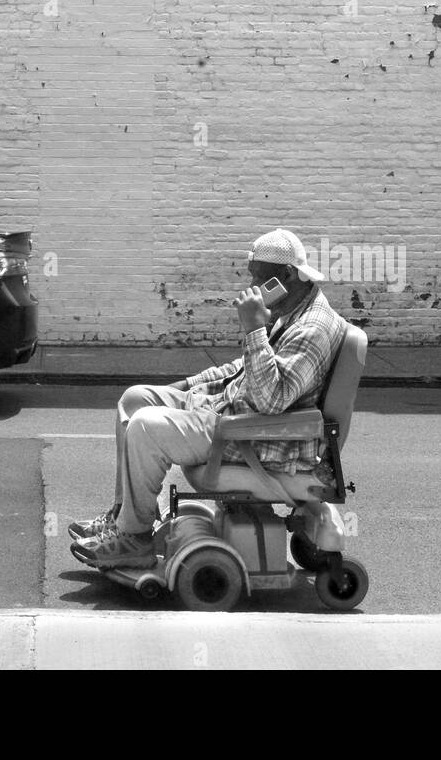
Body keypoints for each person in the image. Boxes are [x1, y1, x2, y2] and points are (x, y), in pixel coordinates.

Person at [70, 229, 348, 570]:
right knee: (136, 399)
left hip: (249, 434)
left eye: (261, 278)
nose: (254, 286)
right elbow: (242, 369)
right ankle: (123, 516)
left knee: (145, 427)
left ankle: (135, 537)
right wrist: (186, 385)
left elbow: (272, 401)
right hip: (226, 412)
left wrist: (253, 330)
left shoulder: (312, 330)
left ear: (288, 275)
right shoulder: (290, 309)